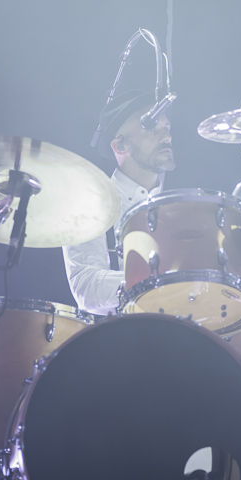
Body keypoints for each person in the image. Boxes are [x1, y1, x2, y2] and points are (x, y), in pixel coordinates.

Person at [62, 91, 174, 315]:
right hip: (121, 341)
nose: (166, 137)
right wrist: (155, 283)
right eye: (151, 127)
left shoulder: (178, 208)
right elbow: (85, 287)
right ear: (120, 146)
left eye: (167, 128)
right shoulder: (90, 201)